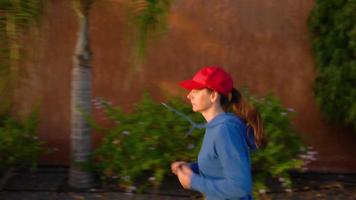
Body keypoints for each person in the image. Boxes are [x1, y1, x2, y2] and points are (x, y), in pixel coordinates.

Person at [171, 66, 266, 200]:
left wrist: (194, 181)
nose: (189, 95)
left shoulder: (225, 130)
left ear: (213, 95)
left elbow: (240, 186)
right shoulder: (216, 127)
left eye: (196, 90)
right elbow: (219, 164)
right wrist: (191, 168)